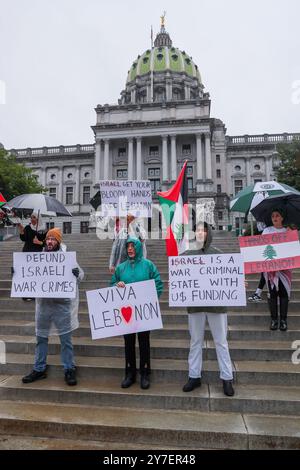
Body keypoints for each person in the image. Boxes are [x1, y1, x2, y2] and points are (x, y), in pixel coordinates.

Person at [21, 228, 84, 386]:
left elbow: (82, 275)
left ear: (58, 242)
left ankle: (69, 368)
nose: (49, 242)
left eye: (53, 239)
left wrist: (77, 273)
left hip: (62, 305)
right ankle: (39, 368)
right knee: (41, 338)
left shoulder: (67, 258)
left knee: (66, 340)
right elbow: (26, 275)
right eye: (48, 239)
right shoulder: (39, 258)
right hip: (44, 305)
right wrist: (17, 273)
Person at [182, 221, 235, 397]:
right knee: (195, 341)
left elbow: (228, 276)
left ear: (208, 233)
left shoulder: (218, 254)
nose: (200, 233)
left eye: (203, 230)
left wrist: (237, 282)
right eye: (197, 230)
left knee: (221, 342)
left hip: (216, 306)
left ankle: (227, 378)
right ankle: (194, 375)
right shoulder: (187, 255)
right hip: (195, 306)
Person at [111, 237, 163, 390]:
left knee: (144, 342)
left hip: (143, 312)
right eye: (128, 246)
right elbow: (112, 284)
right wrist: (116, 285)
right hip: (126, 311)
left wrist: (152, 300)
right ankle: (130, 373)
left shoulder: (148, 265)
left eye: (133, 246)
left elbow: (158, 284)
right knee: (128, 342)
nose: (130, 249)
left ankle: (145, 373)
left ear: (138, 248)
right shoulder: (121, 268)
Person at [262, 209, 292, 331]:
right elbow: (262, 245)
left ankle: (283, 320)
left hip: (285, 268)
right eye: (273, 215)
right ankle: (274, 320)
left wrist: (291, 234)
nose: (275, 218)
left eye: (277, 215)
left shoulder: (288, 231)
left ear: (282, 218)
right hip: (270, 269)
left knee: (284, 294)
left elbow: (293, 247)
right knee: (272, 293)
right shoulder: (267, 231)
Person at [17, 212, 47, 301]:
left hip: (37, 255)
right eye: (31, 217)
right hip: (26, 254)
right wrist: (22, 231)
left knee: (35, 275)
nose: (32, 219)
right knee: (27, 275)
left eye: (34, 217)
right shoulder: (28, 227)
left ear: (38, 219)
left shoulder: (44, 230)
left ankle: (35, 294)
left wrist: (40, 242)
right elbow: (23, 238)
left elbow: (47, 243)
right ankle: (26, 294)